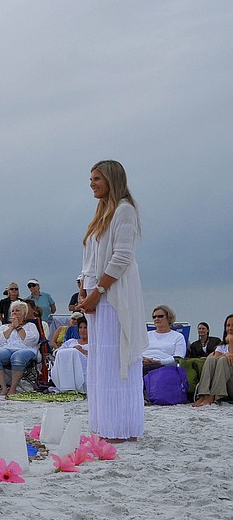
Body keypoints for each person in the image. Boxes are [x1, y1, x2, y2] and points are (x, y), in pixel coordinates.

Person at [77, 160, 147, 443]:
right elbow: (90, 259)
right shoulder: (101, 213)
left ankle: (122, 427)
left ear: (111, 179)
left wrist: (98, 292)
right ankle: (105, 424)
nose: (91, 183)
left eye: (97, 178)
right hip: (96, 298)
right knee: (100, 363)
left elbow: (122, 256)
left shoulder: (124, 211)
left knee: (115, 359)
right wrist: (82, 288)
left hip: (113, 297)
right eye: (90, 178)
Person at [0, 300, 39, 396]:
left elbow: (30, 341)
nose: (14, 313)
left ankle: (13, 388)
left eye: (17, 310)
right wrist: (11, 327)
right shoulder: (4, 327)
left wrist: (18, 327)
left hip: (25, 349)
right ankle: (3, 387)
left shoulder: (31, 326)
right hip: (6, 349)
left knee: (17, 356)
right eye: (12, 311)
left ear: (24, 313)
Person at [193, 314, 233, 407]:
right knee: (211, 359)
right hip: (224, 386)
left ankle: (213, 396)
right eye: (228, 325)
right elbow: (216, 358)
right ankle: (203, 394)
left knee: (224, 360)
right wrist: (226, 353)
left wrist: (231, 342)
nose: (230, 328)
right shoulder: (222, 346)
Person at [142, 305, 186, 373]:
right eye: (154, 317)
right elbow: (137, 352)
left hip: (163, 368)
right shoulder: (146, 335)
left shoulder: (178, 337)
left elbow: (178, 358)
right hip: (142, 364)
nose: (156, 318)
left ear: (169, 318)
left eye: (160, 316)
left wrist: (158, 362)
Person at [182, 321, 222, 396]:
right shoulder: (194, 344)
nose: (201, 330)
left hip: (213, 361)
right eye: (199, 329)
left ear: (208, 330)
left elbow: (218, 351)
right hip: (199, 363)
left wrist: (208, 357)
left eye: (203, 328)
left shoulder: (216, 340)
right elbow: (193, 356)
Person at [51, 316, 89, 392]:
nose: (83, 330)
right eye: (80, 328)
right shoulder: (71, 341)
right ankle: (66, 385)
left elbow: (95, 356)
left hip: (84, 369)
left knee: (74, 352)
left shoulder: (93, 344)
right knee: (69, 352)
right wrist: (70, 351)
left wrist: (81, 351)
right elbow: (57, 352)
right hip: (67, 367)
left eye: (85, 328)